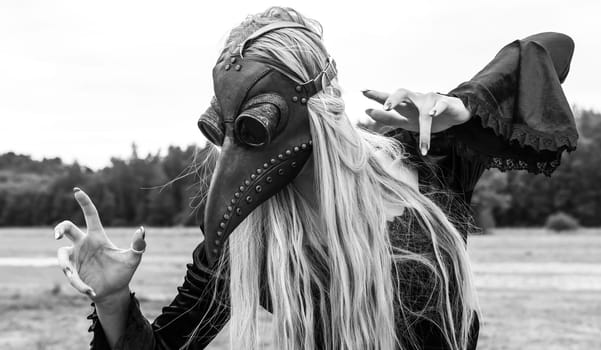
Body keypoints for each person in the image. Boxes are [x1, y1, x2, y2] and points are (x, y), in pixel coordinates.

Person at [52, 7, 577, 350]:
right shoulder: (244, 234)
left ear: (318, 103)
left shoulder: (426, 157)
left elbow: (551, 47)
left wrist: (460, 107)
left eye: (260, 122)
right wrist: (113, 297)